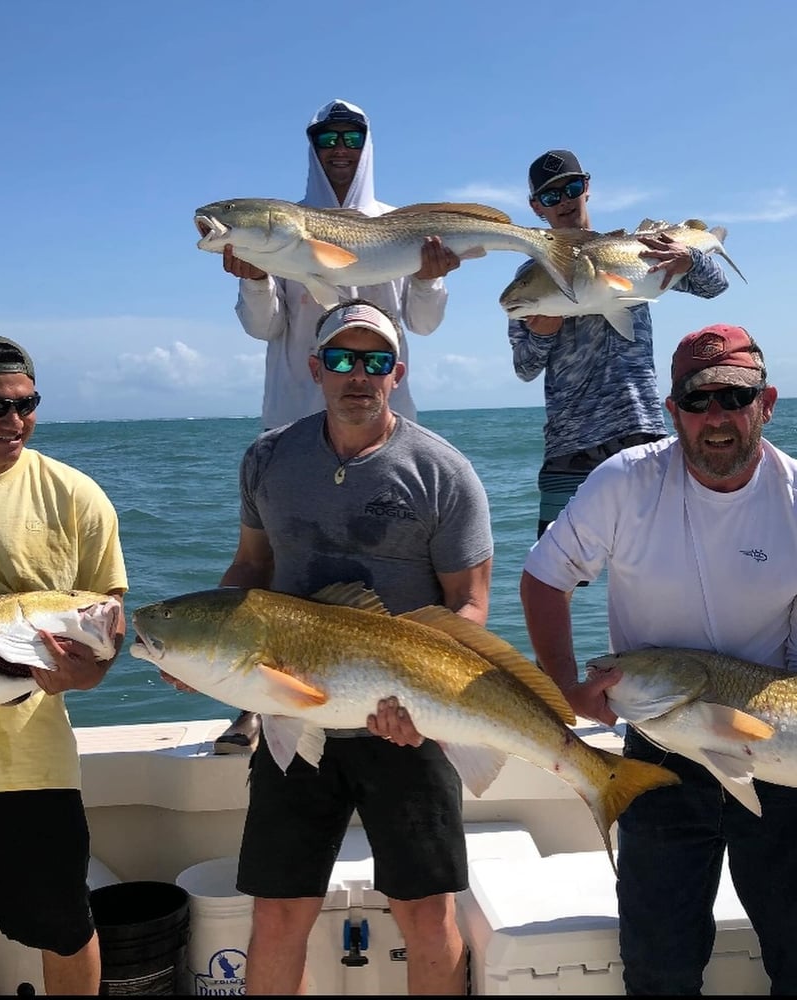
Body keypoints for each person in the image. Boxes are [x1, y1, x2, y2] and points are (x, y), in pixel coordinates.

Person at [194, 298, 492, 994]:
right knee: (277, 912)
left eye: (375, 361)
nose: (358, 374)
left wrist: (424, 704)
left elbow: (469, 608)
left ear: (398, 372)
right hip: (289, 704)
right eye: (341, 358)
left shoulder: (442, 472)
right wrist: (202, 646)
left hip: (406, 721)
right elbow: (249, 570)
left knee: (424, 913)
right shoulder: (268, 458)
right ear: (314, 368)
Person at [519, 324, 797, 994]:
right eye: (697, 401)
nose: (717, 418)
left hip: (780, 754)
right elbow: (544, 577)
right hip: (659, 754)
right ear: (671, 412)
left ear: (768, 403)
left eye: (736, 397)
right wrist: (563, 688)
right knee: (660, 962)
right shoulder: (625, 483)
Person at [216, 97, 461, 754]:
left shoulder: (400, 224)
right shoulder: (280, 225)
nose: (339, 146)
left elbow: (425, 324)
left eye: (351, 134)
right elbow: (264, 328)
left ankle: (413, 697)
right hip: (293, 415)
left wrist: (432, 280)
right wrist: (257, 281)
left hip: (381, 422)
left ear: (367, 142)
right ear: (312, 143)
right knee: (275, 562)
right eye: (327, 135)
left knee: (391, 565)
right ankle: (254, 704)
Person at [507, 148, 730, 541]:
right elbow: (524, 367)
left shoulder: (638, 249)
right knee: (553, 571)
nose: (563, 202)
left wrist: (690, 259)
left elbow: (715, 287)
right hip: (569, 443)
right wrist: (543, 331)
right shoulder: (530, 278)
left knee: (658, 566)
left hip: (640, 429)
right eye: (549, 196)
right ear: (535, 207)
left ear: (587, 188)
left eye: (571, 187)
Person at [0, 336, 128, 995]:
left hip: (32, 766)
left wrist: (86, 672)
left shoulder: (74, 497)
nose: (13, 422)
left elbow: (109, 622)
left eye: (25, 405)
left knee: (63, 923)